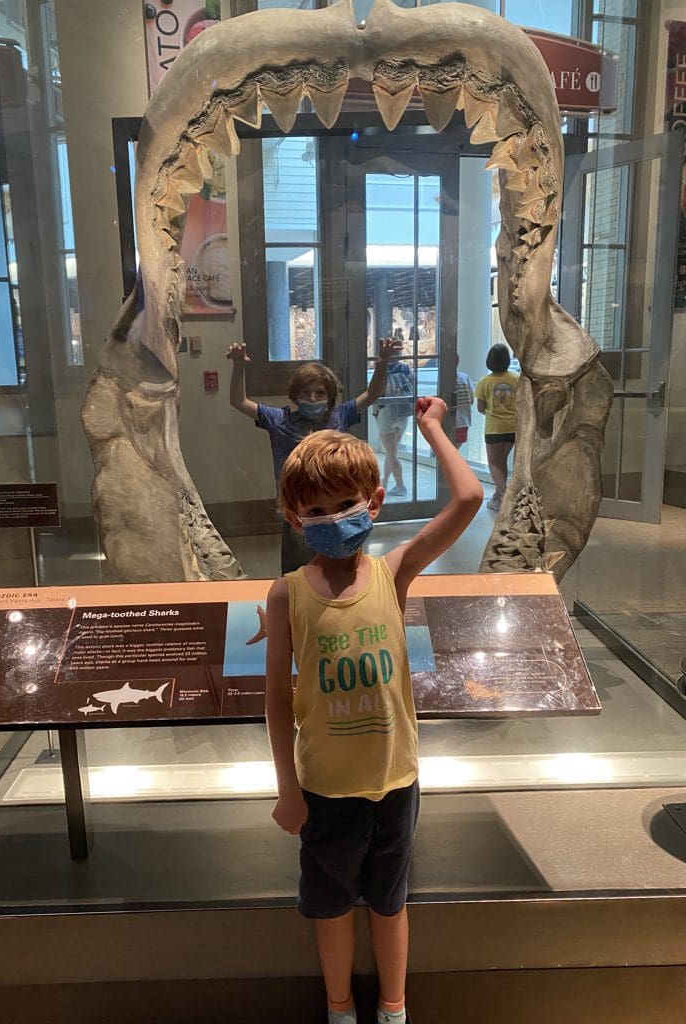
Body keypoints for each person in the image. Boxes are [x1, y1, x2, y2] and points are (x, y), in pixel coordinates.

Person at [264, 402, 483, 1024]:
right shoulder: (286, 594)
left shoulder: (395, 573)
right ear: (294, 516)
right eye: (317, 510)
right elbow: (277, 697)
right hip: (325, 790)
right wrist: (288, 790)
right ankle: (339, 1008)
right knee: (330, 907)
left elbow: (467, 500)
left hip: (395, 780)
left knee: (390, 901)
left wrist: (432, 428)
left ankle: (394, 1007)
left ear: (375, 500)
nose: (334, 519)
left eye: (346, 504)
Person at [227, 339, 401, 573]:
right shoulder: (280, 420)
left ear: (330, 396)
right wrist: (239, 365)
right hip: (299, 506)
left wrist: (383, 362)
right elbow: (238, 401)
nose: (312, 398)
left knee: (342, 565)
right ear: (294, 394)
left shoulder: (339, 415)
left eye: (320, 393)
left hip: (337, 503)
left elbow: (372, 394)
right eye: (305, 392)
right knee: (298, 569)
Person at [474, 343, 519, 511]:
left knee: (493, 463)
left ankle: (506, 497)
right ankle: (498, 496)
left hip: (493, 428)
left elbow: (480, 408)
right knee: (501, 462)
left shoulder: (484, 382)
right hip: (513, 427)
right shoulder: (516, 378)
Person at [372, 337, 414, 497]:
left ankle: (400, 485)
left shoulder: (381, 368)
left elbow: (375, 393)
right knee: (392, 450)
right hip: (402, 412)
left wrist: (375, 411)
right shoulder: (406, 369)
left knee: (391, 451)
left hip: (386, 412)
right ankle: (386, 482)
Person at [453, 355, 474, 449]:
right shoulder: (465, 377)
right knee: (455, 449)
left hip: (447, 421)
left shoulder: (443, 380)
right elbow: (472, 399)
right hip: (463, 421)